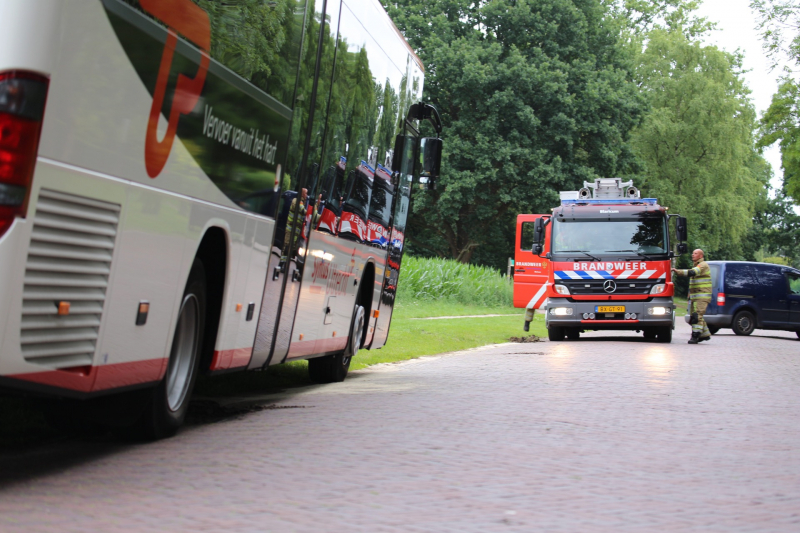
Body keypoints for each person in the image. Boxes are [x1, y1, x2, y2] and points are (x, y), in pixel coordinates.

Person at [672, 249, 712, 344]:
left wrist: (678, 272)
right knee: (696, 317)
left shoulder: (703, 265)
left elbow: (692, 272)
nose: (692, 254)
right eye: (692, 253)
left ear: (701, 256)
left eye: (695, 253)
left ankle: (695, 336)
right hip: (696, 297)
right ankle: (705, 335)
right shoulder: (696, 265)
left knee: (697, 316)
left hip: (702, 296)